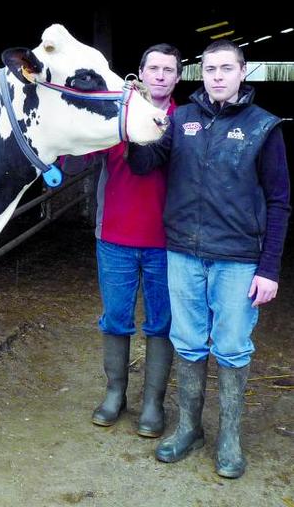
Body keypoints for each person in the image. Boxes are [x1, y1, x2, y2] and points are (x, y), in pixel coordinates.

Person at [128, 39, 290, 478]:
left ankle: (230, 438)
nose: (218, 76)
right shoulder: (181, 120)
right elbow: (145, 164)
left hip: (238, 259)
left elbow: (279, 201)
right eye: (211, 69)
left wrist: (270, 268)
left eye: (226, 68)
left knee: (234, 347)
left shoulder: (264, 127)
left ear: (243, 72)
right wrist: (137, 119)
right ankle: (188, 428)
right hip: (183, 253)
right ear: (203, 74)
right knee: (188, 340)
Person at [65, 44, 182, 437]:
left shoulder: (186, 122)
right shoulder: (115, 117)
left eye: (169, 69)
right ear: (141, 73)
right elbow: (78, 154)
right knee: (115, 319)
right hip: (114, 235)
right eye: (154, 68)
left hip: (168, 242)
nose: (160, 75)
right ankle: (115, 393)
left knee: (161, 323)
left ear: (178, 77)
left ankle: (153, 403)